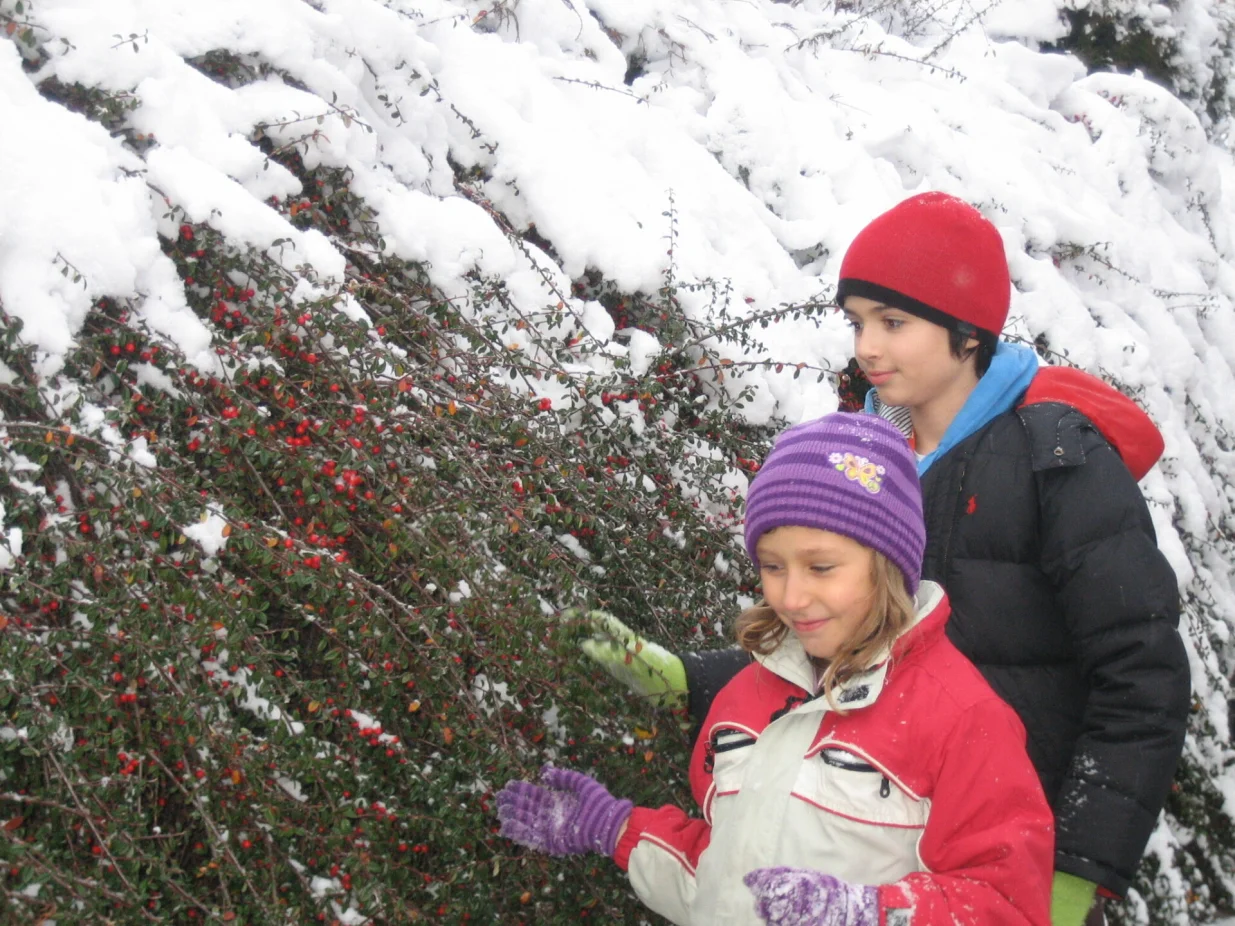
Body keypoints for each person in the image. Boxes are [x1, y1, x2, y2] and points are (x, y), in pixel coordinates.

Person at [579, 192, 1192, 926]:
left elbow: (1139, 673)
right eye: (858, 322)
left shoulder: (1050, 458)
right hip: (862, 843)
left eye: (893, 323)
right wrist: (693, 678)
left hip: (995, 870)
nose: (866, 347)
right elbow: (857, 640)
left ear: (967, 332)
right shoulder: (862, 456)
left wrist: (1075, 870)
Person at [497, 413, 1055, 926]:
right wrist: (614, 829)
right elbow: (723, 881)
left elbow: (1008, 903)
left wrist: (871, 914)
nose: (791, 595)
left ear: (889, 564)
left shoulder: (961, 718)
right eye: (771, 566)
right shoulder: (743, 701)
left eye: (821, 566)